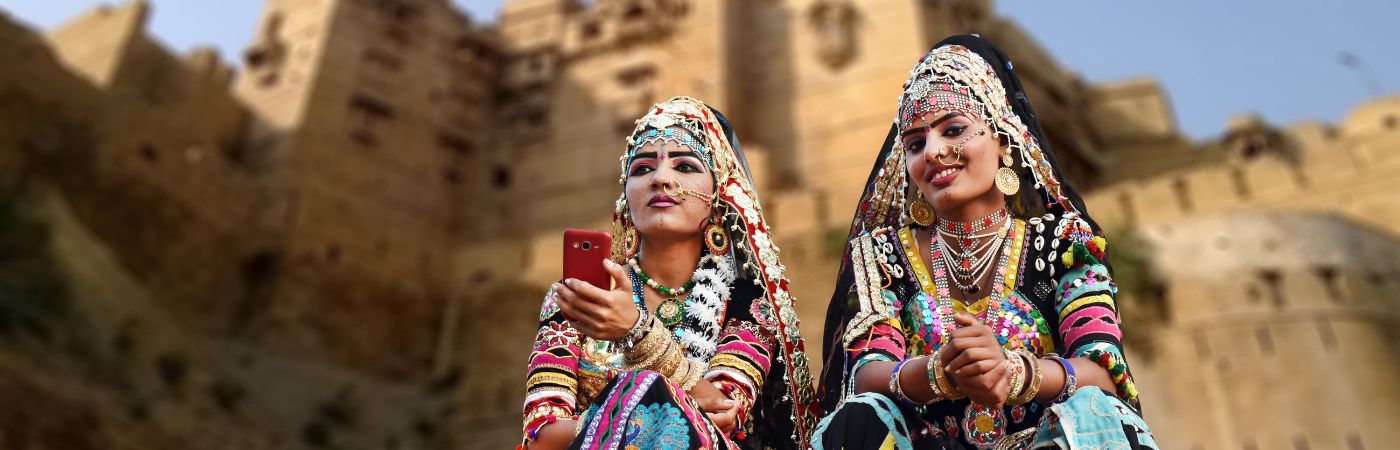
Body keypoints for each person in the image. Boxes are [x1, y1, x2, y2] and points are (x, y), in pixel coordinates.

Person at [814, 35, 1155, 449]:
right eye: (916, 143)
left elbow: (1103, 370)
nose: (935, 152)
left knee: (1096, 412)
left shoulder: (1063, 244)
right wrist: (940, 371)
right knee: (861, 416)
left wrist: (1013, 374)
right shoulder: (884, 256)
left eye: (953, 129)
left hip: (1043, 442)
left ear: (1003, 139)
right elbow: (866, 372)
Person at [521, 96, 818, 450]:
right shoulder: (577, 297)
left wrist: (636, 332)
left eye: (686, 166)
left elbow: (723, 413)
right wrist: (631, 409)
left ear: (720, 195)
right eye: (642, 168)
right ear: (625, 198)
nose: (661, 178)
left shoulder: (749, 302)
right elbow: (540, 437)